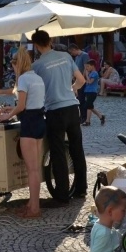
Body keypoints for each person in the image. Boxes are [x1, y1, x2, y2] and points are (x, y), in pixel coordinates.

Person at [31, 30, 87, 202]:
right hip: (72, 107)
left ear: (36, 45)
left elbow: (35, 90)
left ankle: (62, 194)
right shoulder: (66, 56)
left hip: (55, 110)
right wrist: (72, 89)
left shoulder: (37, 65)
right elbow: (81, 80)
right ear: (50, 41)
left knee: (58, 152)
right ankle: (81, 189)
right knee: (77, 148)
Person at [0, 48, 46, 218]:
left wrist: (8, 115)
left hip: (29, 123)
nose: (13, 68)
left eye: (13, 64)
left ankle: (35, 208)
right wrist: (13, 109)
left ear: (17, 63)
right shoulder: (37, 78)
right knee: (35, 168)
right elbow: (31, 103)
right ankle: (32, 203)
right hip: (39, 120)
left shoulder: (23, 78)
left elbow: (22, 105)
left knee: (32, 169)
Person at [68, 44, 91, 121]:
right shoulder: (77, 57)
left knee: (81, 98)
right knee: (78, 98)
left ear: (74, 49)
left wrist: (81, 78)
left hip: (81, 80)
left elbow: (86, 68)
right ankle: (80, 115)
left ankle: (83, 117)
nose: (72, 54)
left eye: (71, 52)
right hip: (77, 79)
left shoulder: (84, 55)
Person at [82, 60, 105, 126]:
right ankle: (101, 116)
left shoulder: (95, 73)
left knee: (88, 106)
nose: (87, 68)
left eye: (88, 66)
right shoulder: (90, 73)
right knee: (90, 106)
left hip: (92, 92)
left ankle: (88, 121)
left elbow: (90, 82)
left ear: (92, 66)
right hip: (87, 91)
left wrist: (87, 75)